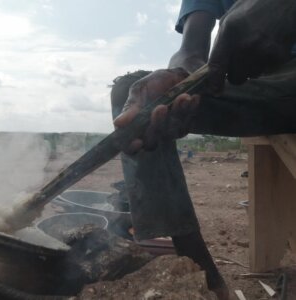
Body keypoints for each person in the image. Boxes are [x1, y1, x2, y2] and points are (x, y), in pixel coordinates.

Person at [111, 1, 296, 299]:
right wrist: (182, 75)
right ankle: (203, 272)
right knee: (135, 94)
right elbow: (191, 50)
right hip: (264, 90)